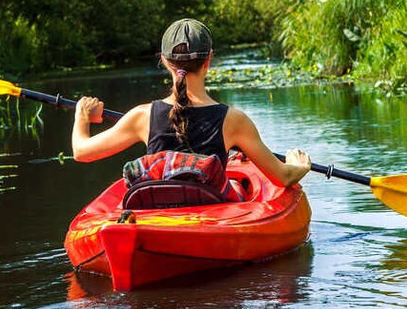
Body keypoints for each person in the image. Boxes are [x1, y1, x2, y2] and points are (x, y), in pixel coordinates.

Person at [72, 18, 311, 189]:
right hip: (212, 215)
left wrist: (82, 118)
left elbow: (81, 152)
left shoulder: (142, 116)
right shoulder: (234, 120)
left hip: (160, 213)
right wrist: (298, 166)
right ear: (208, 60)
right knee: (237, 187)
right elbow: (283, 177)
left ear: (165, 62)